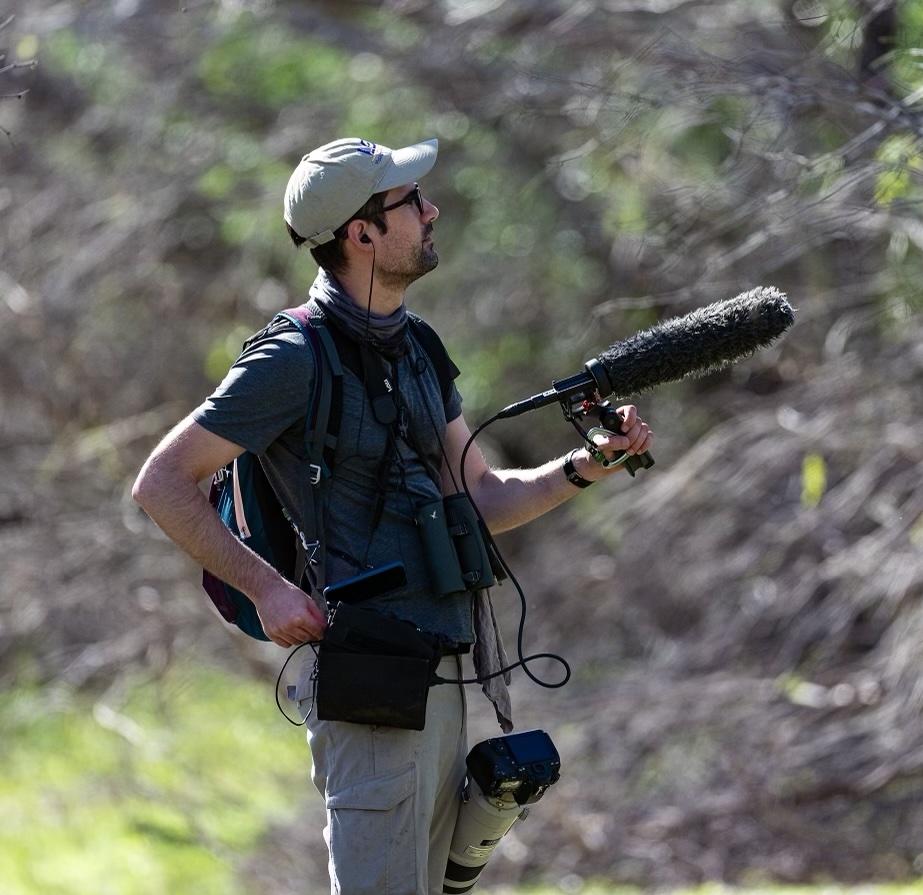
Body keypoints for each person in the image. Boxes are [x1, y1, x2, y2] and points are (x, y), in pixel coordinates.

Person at [131, 137, 653, 895]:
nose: (432, 209)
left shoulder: (417, 347)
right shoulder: (291, 357)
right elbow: (161, 482)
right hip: (368, 681)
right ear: (362, 232)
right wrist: (270, 588)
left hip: (442, 668)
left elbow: (480, 494)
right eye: (412, 201)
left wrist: (584, 465)